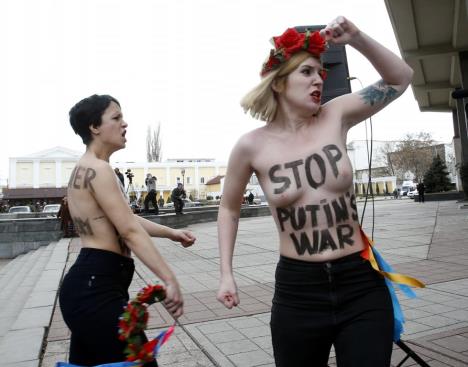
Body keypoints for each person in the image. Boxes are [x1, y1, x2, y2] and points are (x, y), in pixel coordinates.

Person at [216, 17, 414, 367]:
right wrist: (227, 273)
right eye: (306, 72)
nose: (318, 79)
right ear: (279, 83)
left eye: (321, 73)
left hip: (360, 283)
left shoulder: (336, 116)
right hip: (298, 291)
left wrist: (356, 38)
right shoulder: (251, 146)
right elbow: (229, 209)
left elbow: (401, 78)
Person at [59, 94, 196, 366]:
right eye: (116, 117)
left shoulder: (85, 168)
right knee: (140, 362)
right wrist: (169, 279)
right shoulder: (99, 169)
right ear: (94, 127)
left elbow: (126, 219)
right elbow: (130, 231)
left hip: (89, 286)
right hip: (96, 288)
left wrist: (171, 233)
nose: (125, 124)